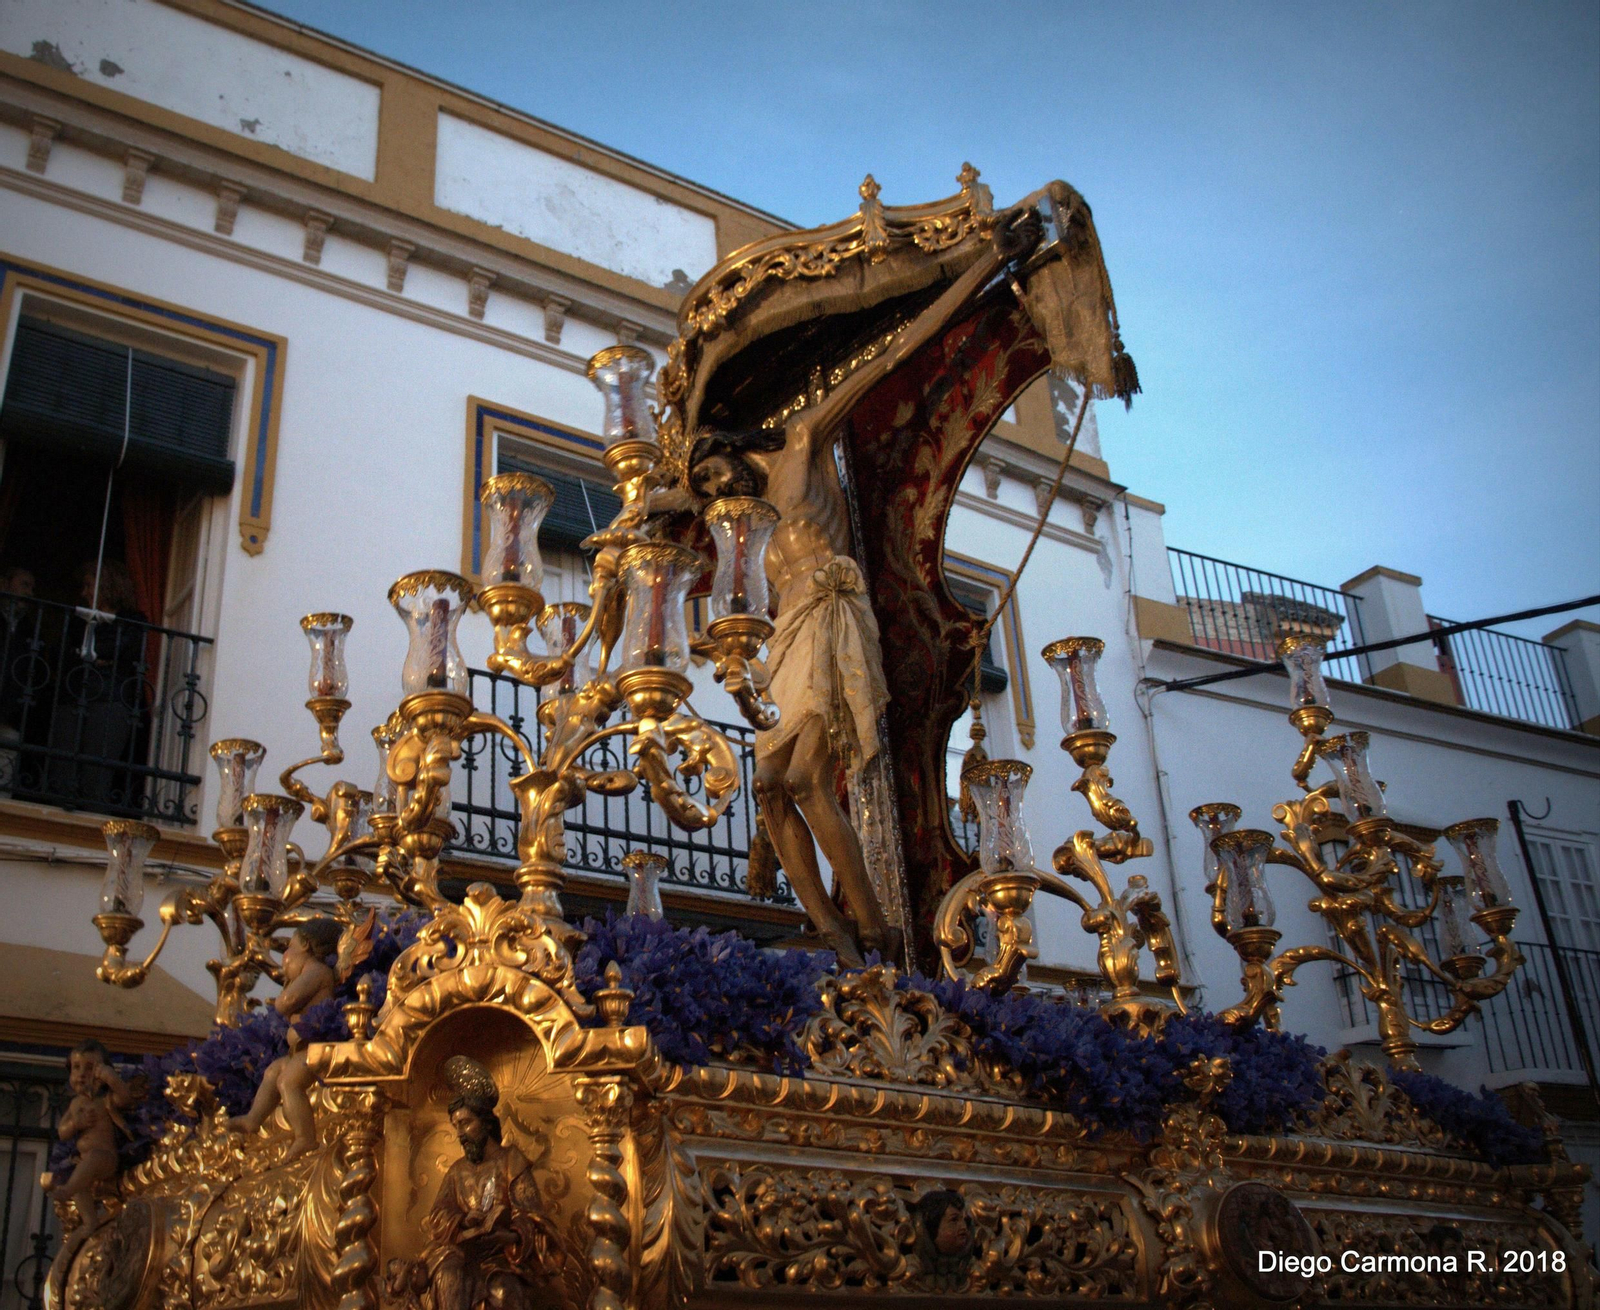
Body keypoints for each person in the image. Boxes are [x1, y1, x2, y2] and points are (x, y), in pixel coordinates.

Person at [688, 206, 1044, 965]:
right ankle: (830, 928)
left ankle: (876, 931)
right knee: (771, 788)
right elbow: (661, 507)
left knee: (811, 777)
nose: (715, 495)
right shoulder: (742, 529)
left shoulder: (800, 446)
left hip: (832, 607)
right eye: (705, 489)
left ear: (734, 451)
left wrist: (985, 268)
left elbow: (891, 357)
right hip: (788, 629)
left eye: (715, 475)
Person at [385, 1056, 562, 1310]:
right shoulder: (457, 1171)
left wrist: (509, 1235)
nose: (460, 1133)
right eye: (456, 1125)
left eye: (466, 1123)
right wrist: (462, 1222)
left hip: (502, 1258)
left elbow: (533, 1216)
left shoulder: (511, 1161)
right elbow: (438, 1214)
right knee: (447, 1276)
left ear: (486, 1122)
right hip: (460, 1255)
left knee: (503, 1292)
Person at [230, 917, 342, 1159]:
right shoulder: (311, 972)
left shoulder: (317, 971)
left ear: (304, 946)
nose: (286, 956)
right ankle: (253, 1119)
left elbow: (286, 1003)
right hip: (299, 1049)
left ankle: (305, 1138)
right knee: (272, 1072)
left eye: (289, 946)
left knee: (289, 1082)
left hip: (314, 1048)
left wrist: (285, 990)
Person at [46, 1039, 140, 1222]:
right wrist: (75, 1124)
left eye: (89, 1068)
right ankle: (84, 1232)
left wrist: (112, 1078)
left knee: (93, 1157)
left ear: (101, 1072)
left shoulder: (105, 1100)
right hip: (83, 1166)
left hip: (104, 1158)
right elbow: (62, 1132)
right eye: (76, 1067)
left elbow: (126, 1099)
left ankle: (66, 1190)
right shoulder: (75, 1104)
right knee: (87, 1218)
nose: (81, 1074)